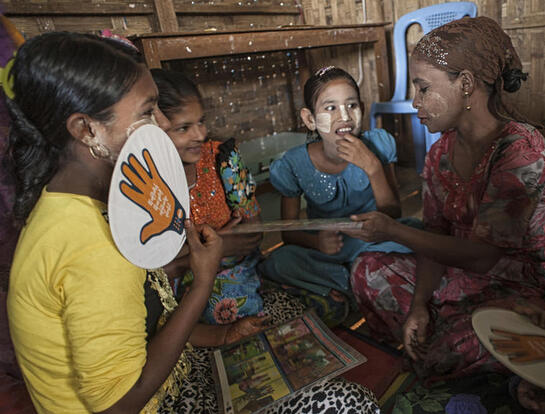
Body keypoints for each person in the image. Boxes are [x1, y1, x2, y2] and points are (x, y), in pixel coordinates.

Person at [5, 33, 378, 413]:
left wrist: (221, 335)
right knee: (349, 403)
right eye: (149, 112)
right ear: (87, 130)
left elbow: (143, 326)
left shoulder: (68, 206)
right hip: (153, 402)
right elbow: (117, 406)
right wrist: (201, 281)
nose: (163, 123)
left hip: (167, 378)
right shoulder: (91, 246)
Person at [345, 16, 545, 382]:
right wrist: (419, 305)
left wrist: (392, 230)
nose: (414, 101)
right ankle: (443, 333)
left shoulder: (522, 153)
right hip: (461, 275)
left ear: (465, 84)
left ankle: (458, 345)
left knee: (453, 350)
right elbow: (435, 235)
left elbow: (484, 256)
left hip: (521, 289)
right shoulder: (442, 155)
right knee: (366, 269)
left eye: (422, 88)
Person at [152, 69, 304, 327]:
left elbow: (253, 234)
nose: (199, 134)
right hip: (175, 280)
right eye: (183, 128)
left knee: (226, 304)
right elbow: (156, 268)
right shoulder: (145, 183)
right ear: (154, 131)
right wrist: (220, 244)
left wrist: (190, 254)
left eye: (201, 122)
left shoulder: (223, 160)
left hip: (232, 269)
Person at [257, 66, 412, 310]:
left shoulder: (379, 146)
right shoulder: (293, 164)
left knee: (415, 236)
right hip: (328, 251)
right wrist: (317, 243)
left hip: (374, 242)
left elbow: (393, 213)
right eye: (331, 108)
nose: (345, 116)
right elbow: (289, 232)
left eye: (352, 105)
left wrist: (372, 166)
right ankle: (361, 281)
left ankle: (342, 287)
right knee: (280, 261)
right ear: (310, 119)